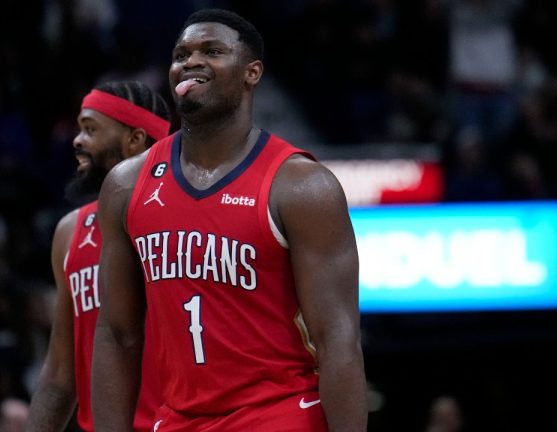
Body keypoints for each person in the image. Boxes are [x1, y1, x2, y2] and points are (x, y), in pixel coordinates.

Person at [91, 8, 367, 431]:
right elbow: (116, 334)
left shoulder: (302, 186)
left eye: (212, 51)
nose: (190, 61)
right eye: (181, 54)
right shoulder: (126, 185)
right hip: (179, 419)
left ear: (251, 73)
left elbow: (338, 341)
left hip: (279, 414)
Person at [24, 81, 172, 432]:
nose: (77, 140)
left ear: (134, 140)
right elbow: (61, 375)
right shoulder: (69, 231)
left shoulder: (182, 218)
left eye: (90, 129)